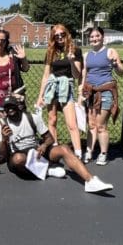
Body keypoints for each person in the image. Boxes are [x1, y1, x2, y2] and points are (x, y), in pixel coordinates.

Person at [0, 95, 114, 193]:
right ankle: (46, 170)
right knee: (18, 159)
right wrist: (5, 139)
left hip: (37, 151)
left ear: (19, 106)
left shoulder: (32, 118)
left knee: (64, 148)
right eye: (6, 108)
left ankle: (90, 181)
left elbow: (50, 138)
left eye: (12, 106)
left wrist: (44, 146)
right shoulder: (2, 127)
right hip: (20, 155)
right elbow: (2, 156)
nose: (9, 110)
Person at [79, 27, 123, 165]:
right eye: (92, 37)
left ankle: (103, 153)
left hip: (105, 91)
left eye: (97, 36)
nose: (94, 39)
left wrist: (116, 65)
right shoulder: (87, 55)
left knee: (101, 125)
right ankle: (89, 152)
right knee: (91, 124)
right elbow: (84, 73)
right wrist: (81, 90)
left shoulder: (110, 52)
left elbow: (121, 72)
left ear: (102, 37)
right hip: (90, 92)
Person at [36, 24, 83, 156]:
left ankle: (78, 152)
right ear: (53, 38)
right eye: (56, 36)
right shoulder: (51, 52)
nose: (60, 37)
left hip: (66, 86)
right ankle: (54, 149)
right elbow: (46, 75)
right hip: (52, 87)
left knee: (71, 123)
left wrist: (72, 61)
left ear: (66, 34)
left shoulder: (75, 50)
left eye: (62, 34)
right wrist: (41, 96)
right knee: (52, 120)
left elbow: (77, 75)